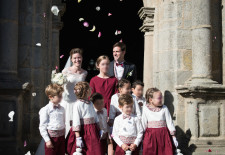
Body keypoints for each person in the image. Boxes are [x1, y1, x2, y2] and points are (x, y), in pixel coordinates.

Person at [89, 55, 118, 155]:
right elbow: (91, 96)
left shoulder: (114, 80)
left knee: (110, 137)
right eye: (103, 64)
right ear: (98, 66)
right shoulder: (93, 80)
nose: (105, 66)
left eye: (107, 64)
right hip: (98, 108)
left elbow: (117, 96)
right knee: (99, 135)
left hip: (111, 108)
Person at [66, 82, 102, 155]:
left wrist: (99, 128)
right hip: (84, 131)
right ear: (86, 91)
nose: (91, 89)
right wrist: (78, 137)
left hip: (92, 129)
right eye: (90, 88)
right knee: (85, 150)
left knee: (95, 149)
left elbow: (94, 116)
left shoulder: (90, 103)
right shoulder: (78, 104)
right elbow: (76, 121)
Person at [142, 88, 178, 155]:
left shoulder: (164, 108)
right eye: (159, 98)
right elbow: (143, 123)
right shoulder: (145, 109)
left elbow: (169, 122)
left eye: (162, 98)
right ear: (150, 100)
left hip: (163, 135)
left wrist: (173, 136)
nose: (161, 100)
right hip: (150, 136)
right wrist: (142, 137)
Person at [61, 48, 87, 136]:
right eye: (75, 58)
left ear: (82, 58)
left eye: (79, 57)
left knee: (77, 126)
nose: (77, 60)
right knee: (67, 125)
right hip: (67, 102)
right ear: (71, 59)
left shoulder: (84, 73)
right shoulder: (65, 71)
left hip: (78, 102)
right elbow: (61, 87)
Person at [39, 84, 65, 155]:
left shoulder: (62, 109)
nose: (61, 98)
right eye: (59, 96)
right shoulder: (45, 110)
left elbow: (63, 121)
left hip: (61, 137)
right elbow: (42, 126)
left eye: (61, 96)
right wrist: (47, 140)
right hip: (52, 139)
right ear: (50, 97)